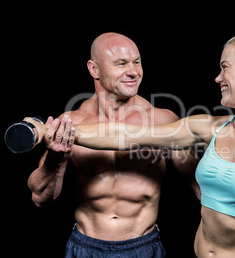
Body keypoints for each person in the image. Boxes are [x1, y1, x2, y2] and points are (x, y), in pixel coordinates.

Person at [27, 31, 235, 257]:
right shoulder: (208, 127)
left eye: (225, 68)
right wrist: (48, 133)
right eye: (121, 63)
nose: (218, 77)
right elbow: (123, 135)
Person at [26, 32, 199, 258]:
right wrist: (55, 160)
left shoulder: (163, 121)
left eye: (137, 62)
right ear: (94, 69)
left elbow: (203, 190)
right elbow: (40, 199)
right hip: (85, 247)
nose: (133, 71)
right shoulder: (72, 122)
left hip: (144, 247)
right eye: (121, 63)